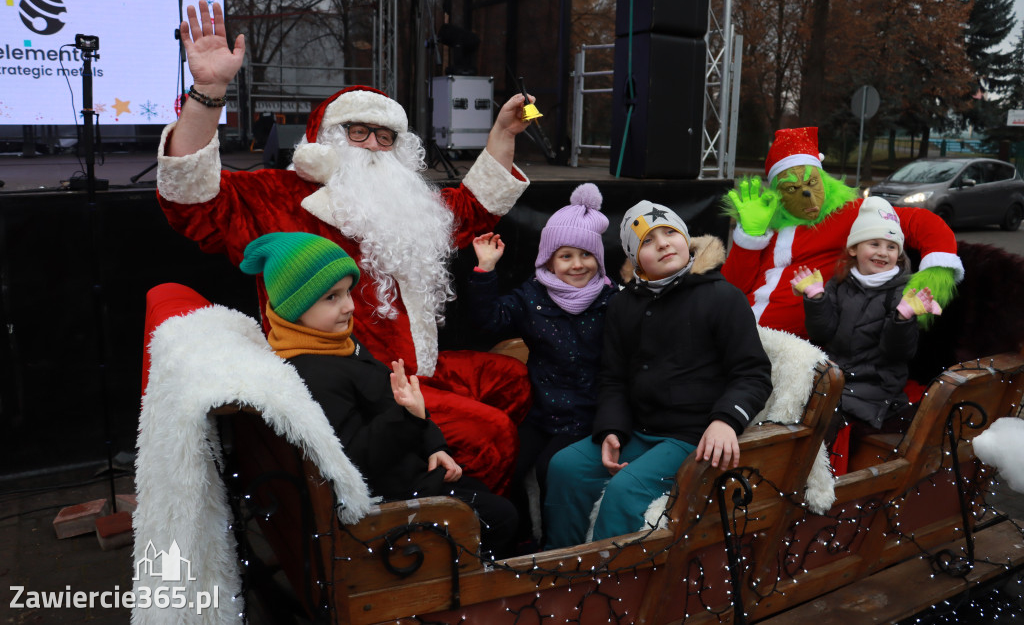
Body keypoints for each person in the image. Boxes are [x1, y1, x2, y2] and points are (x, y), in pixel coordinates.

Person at [155, 0, 537, 494]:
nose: (374, 147)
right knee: (492, 433)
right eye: (359, 132)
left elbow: (473, 207)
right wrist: (208, 93)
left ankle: (449, 495)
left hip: (420, 368)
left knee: (512, 379)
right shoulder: (281, 197)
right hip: (357, 390)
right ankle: (454, 532)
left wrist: (503, 132)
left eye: (385, 137)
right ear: (326, 138)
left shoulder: (409, 202)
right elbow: (191, 202)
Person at [238, 231, 518, 558]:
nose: (349, 306)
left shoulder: (337, 341)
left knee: (493, 501)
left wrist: (434, 444)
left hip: (412, 468)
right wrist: (408, 417)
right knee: (501, 519)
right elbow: (354, 456)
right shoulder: (313, 373)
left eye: (347, 292)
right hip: (391, 502)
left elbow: (394, 397)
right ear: (295, 306)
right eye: (332, 297)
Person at [543, 201, 773, 548]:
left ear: (686, 238)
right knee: (564, 467)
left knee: (625, 489)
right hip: (638, 429)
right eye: (648, 241)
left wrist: (726, 420)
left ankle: (608, 584)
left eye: (670, 233)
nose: (664, 243)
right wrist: (611, 429)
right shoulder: (623, 305)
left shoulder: (723, 297)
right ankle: (560, 564)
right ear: (636, 260)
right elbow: (614, 377)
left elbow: (753, 373)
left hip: (692, 436)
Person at [466, 183, 617, 548]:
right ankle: (518, 541)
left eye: (585, 255)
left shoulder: (611, 300)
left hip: (586, 414)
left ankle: (556, 544)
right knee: (508, 464)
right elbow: (488, 321)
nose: (577, 264)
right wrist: (485, 270)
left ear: (598, 258)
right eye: (565, 256)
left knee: (553, 468)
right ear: (548, 259)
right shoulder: (532, 295)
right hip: (541, 411)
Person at [722, 126, 962, 340]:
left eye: (812, 182)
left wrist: (936, 272)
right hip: (739, 328)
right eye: (792, 188)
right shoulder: (768, 220)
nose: (806, 194)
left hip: (788, 343)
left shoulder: (851, 213)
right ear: (778, 192)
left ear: (823, 179)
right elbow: (732, 287)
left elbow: (923, 222)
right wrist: (749, 238)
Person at [791, 196, 941, 434]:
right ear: (854, 248)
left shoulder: (902, 292)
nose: (883, 253)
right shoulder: (840, 283)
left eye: (891, 247)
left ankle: (815, 469)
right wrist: (816, 298)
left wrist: (903, 318)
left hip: (875, 384)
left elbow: (896, 353)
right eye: (874, 244)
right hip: (835, 375)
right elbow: (821, 333)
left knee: (823, 421)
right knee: (787, 402)